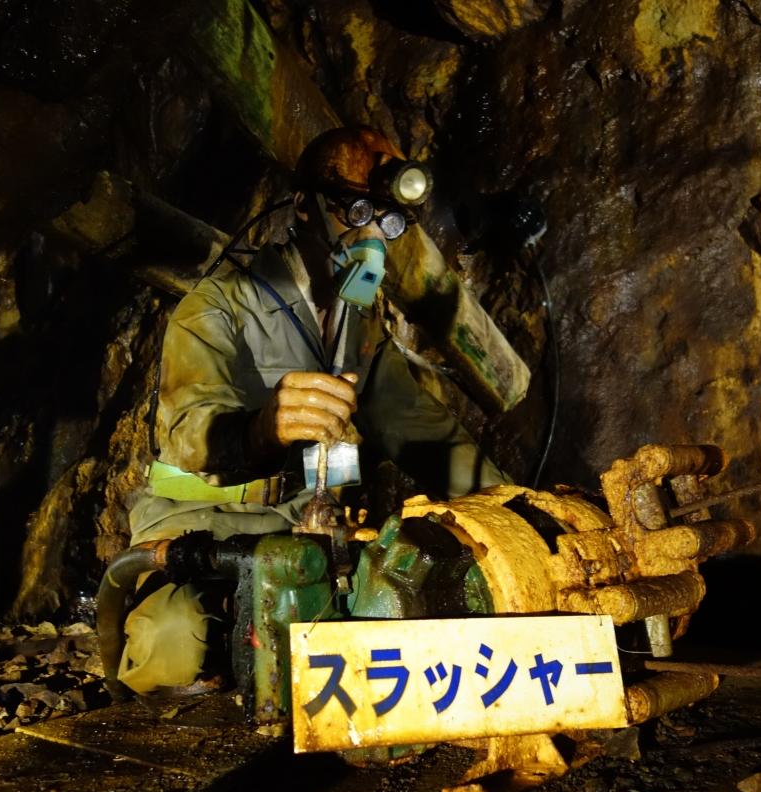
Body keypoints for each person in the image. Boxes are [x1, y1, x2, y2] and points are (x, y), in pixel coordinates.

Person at [110, 126, 506, 696]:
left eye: (390, 222)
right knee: (177, 642)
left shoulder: (360, 328)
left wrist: (513, 507)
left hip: (303, 527)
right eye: (358, 211)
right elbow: (189, 432)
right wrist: (262, 429)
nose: (372, 235)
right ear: (303, 206)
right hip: (198, 521)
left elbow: (427, 436)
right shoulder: (217, 305)